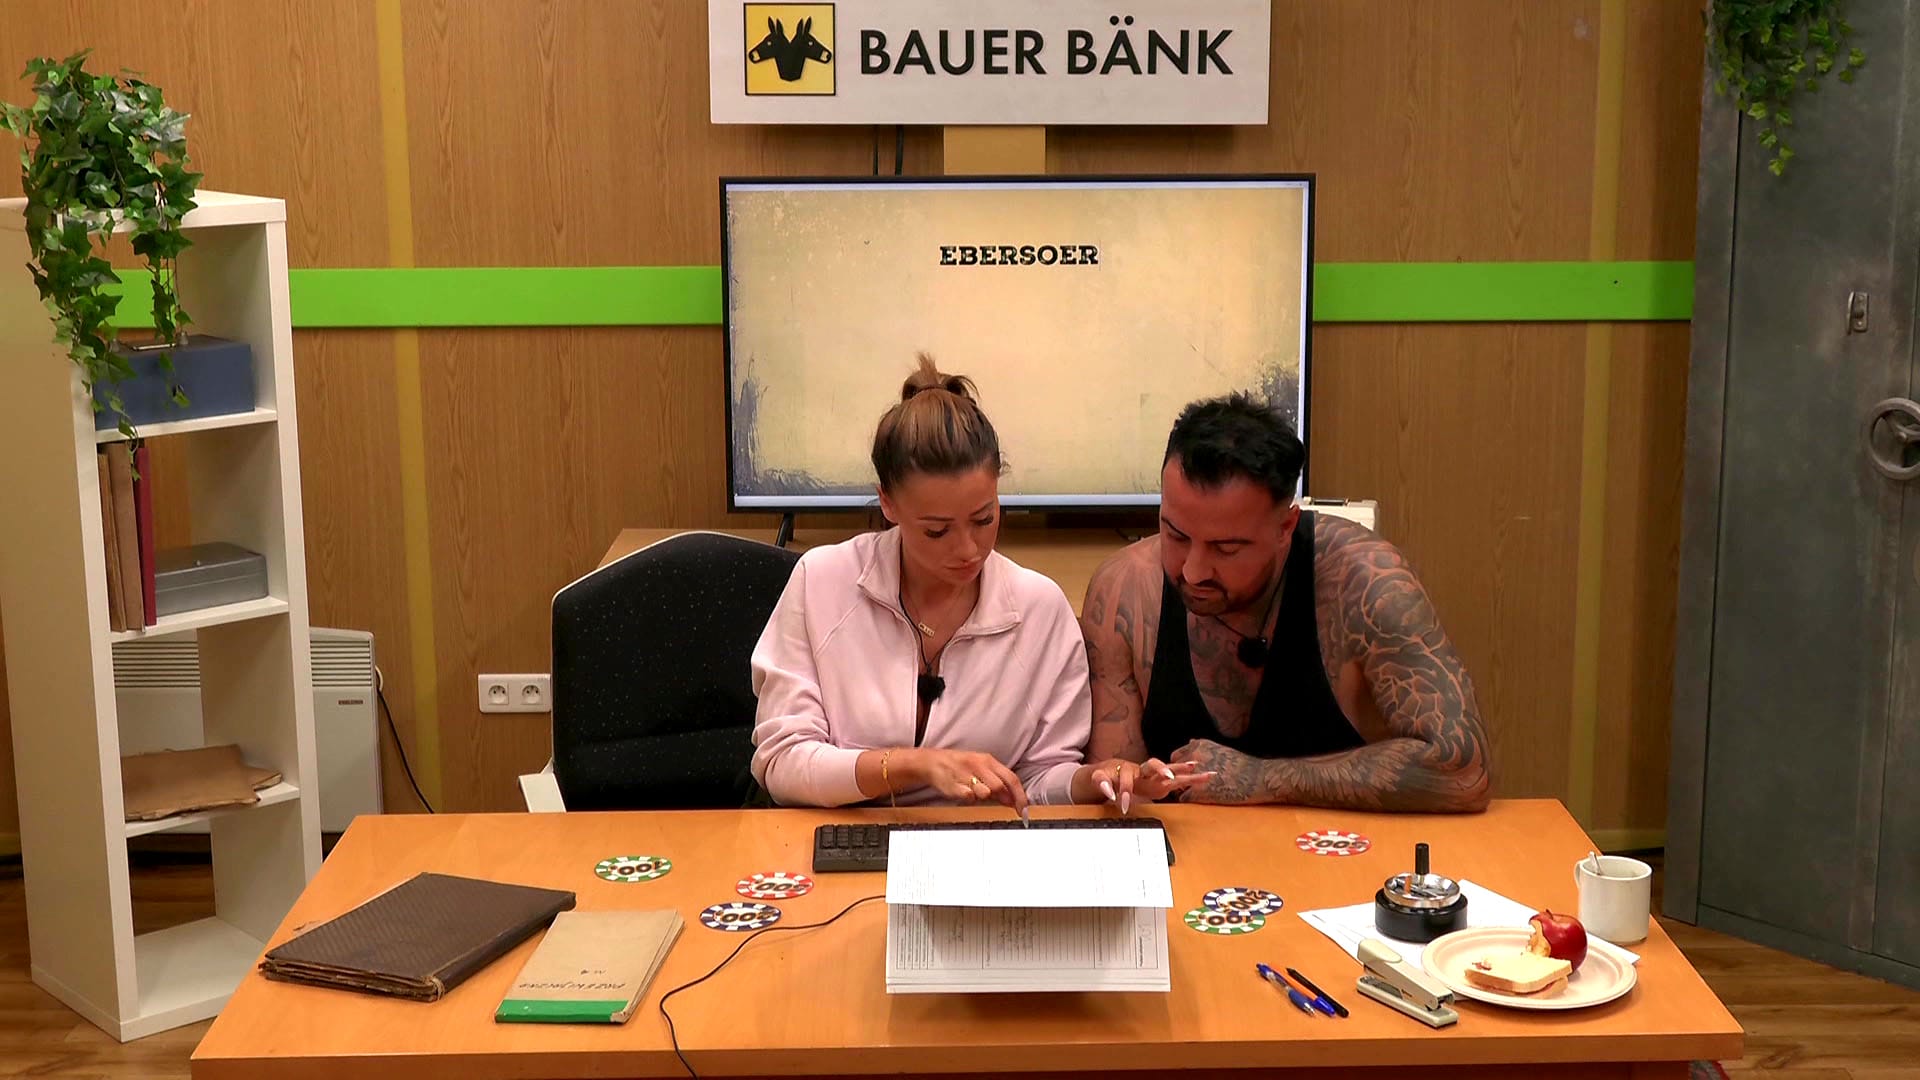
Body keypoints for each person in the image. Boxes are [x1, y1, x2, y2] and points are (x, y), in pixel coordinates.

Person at [750, 354, 1205, 812]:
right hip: (837, 836)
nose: (969, 549)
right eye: (937, 531)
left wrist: (1095, 779)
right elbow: (782, 764)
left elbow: (1037, 780)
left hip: (978, 844)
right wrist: (912, 765)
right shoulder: (822, 581)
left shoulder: (1040, 609)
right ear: (887, 503)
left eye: (984, 519)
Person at [1079, 393, 1491, 812]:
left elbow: (1463, 770)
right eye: (1176, 535)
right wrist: (1129, 783)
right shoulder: (1124, 592)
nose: (1193, 571)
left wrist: (1262, 779)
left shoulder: (1364, 583)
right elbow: (1115, 800)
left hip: (1340, 846)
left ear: (1285, 527)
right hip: (1190, 848)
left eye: (1227, 548)